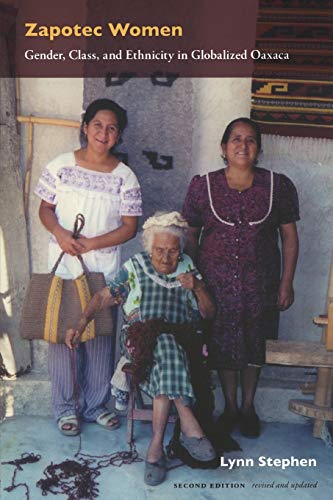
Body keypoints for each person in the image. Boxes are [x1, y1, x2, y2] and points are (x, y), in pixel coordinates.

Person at [65, 211, 217, 486]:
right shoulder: (136, 267)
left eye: (173, 251)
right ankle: (188, 421)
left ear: (180, 249)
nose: (166, 258)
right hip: (140, 339)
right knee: (163, 343)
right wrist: (79, 324)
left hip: (179, 341)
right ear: (150, 247)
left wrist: (198, 288)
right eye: (160, 250)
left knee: (168, 346)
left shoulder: (187, 266)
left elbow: (208, 313)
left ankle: (155, 448)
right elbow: (102, 297)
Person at [183, 117, 300, 438]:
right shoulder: (202, 186)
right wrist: (194, 282)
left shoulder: (278, 186)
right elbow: (190, 236)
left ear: (258, 148)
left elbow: (289, 238)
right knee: (221, 344)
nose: (242, 145)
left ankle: (248, 407)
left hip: (260, 285)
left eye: (250, 140)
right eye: (235, 139)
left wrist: (286, 282)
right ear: (224, 147)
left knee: (254, 344)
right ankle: (230, 406)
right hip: (215, 285)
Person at [35, 98, 142, 436]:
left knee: (99, 337)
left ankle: (95, 405)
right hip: (65, 264)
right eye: (98, 125)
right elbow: (45, 209)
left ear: (118, 136)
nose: (103, 133)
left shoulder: (125, 177)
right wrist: (60, 233)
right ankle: (65, 408)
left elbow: (130, 227)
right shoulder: (61, 165)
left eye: (112, 128)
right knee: (63, 335)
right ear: (85, 127)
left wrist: (93, 243)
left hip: (104, 267)